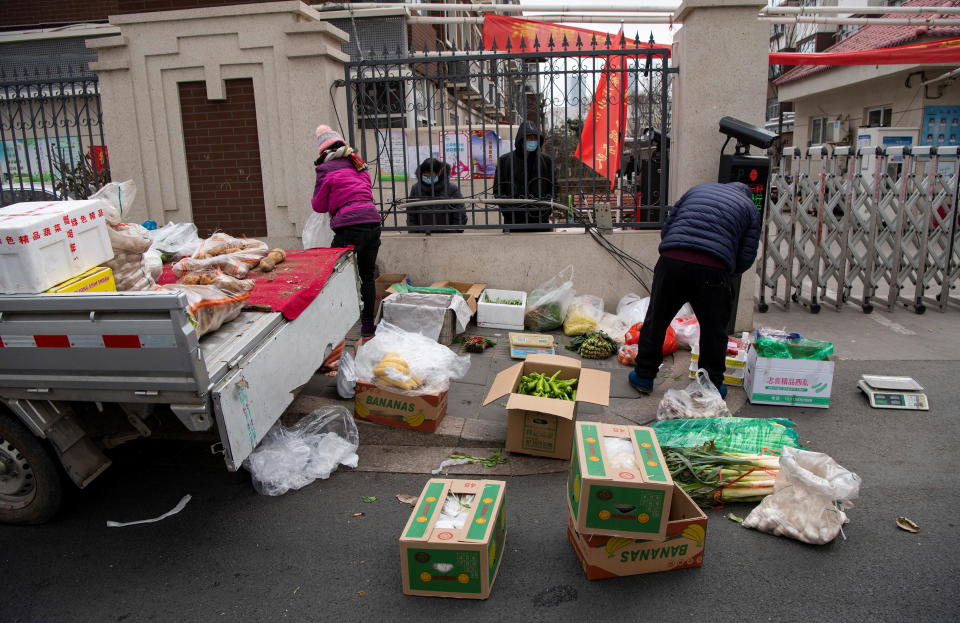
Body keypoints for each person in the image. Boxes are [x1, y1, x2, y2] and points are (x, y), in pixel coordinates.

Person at [629, 182, 760, 398]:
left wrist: (678, 251)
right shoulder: (749, 207)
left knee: (657, 320)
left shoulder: (697, 190)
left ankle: (643, 376)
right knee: (713, 331)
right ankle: (711, 386)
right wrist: (727, 273)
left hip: (672, 260)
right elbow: (747, 254)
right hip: (714, 268)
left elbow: (668, 227)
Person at [311, 125, 382, 338]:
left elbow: (318, 205)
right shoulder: (358, 164)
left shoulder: (325, 169)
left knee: (333, 276)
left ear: (323, 151)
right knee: (367, 276)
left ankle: (334, 329)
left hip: (348, 228)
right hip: (372, 223)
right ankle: (368, 328)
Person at [493, 120, 556, 232]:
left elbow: (554, 187)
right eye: (529, 138)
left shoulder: (547, 161)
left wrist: (546, 209)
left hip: (540, 219)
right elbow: (498, 190)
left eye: (534, 138)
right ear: (521, 140)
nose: (532, 141)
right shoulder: (505, 160)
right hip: (513, 220)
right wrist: (507, 210)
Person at [407, 157, 466, 233]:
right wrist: (414, 233)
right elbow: (411, 214)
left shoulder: (451, 189)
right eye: (425, 176)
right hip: (421, 236)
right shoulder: (416, 189)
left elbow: (460, 213)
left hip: (448, 237)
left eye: (431, 176)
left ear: (439, 172)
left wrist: (454, 233)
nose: (428, 178)